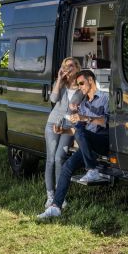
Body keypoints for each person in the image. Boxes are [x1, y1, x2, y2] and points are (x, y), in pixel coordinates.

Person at [37, 69, 109, 219]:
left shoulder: (105, 98)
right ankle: (55, 206)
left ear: (91, 80)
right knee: (67, 167)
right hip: (88, 145)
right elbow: (76, 132)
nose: (80, 87)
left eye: (82, 83)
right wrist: (62, 130)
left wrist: (85, 118)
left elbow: (107, 122)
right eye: (78, 84)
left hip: (102, 140)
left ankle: (92, 169)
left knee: (81, 128)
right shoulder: (83, 104)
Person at [43, 57, 83, 208]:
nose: (68, 68)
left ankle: (60, 196)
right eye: (65, 66)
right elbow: (53, 99)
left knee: (60, 158)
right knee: (51, 159)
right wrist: (59, 79)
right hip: (53, 123)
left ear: (77, 68)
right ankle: (50, 195)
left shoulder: (81, 87)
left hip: (69, 126)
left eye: (71, 66)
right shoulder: (61, 84)